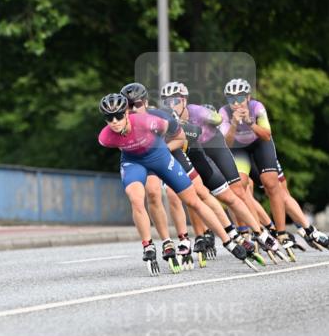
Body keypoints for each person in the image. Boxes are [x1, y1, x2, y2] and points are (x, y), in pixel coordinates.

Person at [97, 93, 256, 276]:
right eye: (109, 118)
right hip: (134, 163)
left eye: (118, 115)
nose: (114, 121)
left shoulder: (148, 121)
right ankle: (148, 246)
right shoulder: (105, 137)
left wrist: (166, 148)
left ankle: (228, 241)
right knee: (137, 198)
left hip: (160, 157)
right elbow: (123, 143)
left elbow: (179, 135)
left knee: (193, 201)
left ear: (126, 113)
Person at [159, 82, 285, 263]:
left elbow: (217, 120)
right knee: (195, 194)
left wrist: (213, 119)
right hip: (196, 153)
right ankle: (202, 235)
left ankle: (261, 232)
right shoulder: (166, 118)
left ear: (184, 100)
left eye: (176, 101)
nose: (172, 106)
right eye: (167, 102)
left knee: (237, 192)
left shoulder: (197, 111)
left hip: (215, 147)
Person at [120, 82, 188, 270]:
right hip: (138, 160)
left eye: (138, 104)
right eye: (128, 105)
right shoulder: (122, 120)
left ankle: (175, 239)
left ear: (146, 102)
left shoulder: (157, 116)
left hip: (160, 155)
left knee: (165, 195)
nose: (133, 109)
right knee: (144, 196)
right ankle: (154, 243)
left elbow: (181, 139)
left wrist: (162, 150)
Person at [219, 79, 289, 239]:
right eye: (231, 99)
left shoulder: (257, 107)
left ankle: (281, 232)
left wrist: (250, 122)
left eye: (240, 98)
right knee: (239, 186)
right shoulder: (224, 112)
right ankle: (247, 230)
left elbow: (266, 135)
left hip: (259, 143)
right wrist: (234, 125)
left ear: (248, 97)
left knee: (271, 183)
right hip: (238, 148)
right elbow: (226, 144)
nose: (236, 103)